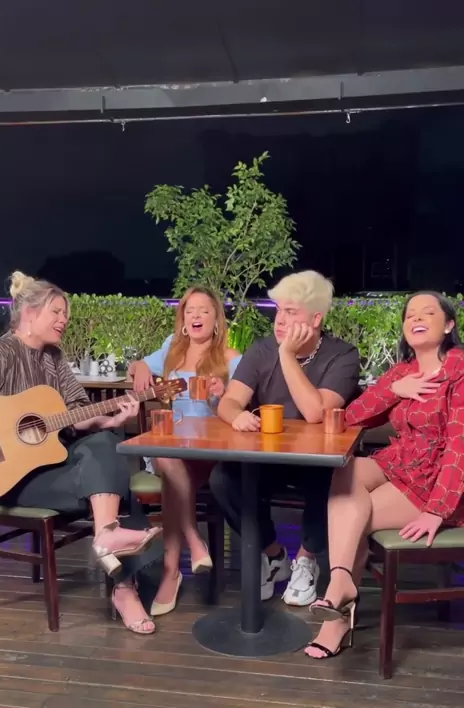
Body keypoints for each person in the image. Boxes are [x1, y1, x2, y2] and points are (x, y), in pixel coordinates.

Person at [0, 272, 162, 635]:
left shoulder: (55, 358)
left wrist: (111, 418)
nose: (64, 320)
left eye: (66, 313)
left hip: (52, 466)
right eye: (57, 312)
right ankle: (124, 588)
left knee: (106, 440)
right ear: (29, 313)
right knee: (120, 487)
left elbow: (79, 414)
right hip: (8, 480)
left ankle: (107, 536)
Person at [305, 290, 464, 659]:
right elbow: (352, 416)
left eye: (428, 312)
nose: (416, 318)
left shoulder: (459, 372)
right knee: (347, 471)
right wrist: (394, 389)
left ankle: (337, 615)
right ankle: (341, 582)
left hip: (441, 484)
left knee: (350, 514)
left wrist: (437, 510)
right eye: (410, 314)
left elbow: (460, 446)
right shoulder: (403, 371)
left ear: (449, 325)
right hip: (401, 465)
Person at [210, 270, 360, 604]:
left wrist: (287, 356)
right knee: (223, 478)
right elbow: (229, 401)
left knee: (332, 477)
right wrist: (236, 416)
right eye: (278, 311)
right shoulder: (261, 350)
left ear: (316, 319)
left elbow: (315, 412)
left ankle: (306, 560)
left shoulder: (343, 355)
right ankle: (274, 554)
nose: (279, 320)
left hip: (317, 461)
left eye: (291, 312)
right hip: (268, 456)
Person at [128, 286, 240, 616]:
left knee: (171, 475)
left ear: (216, 319)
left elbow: (243, 406)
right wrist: (141, 367)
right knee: (166, 455)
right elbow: (136, 366)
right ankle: (193, 540)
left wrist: (221, 395)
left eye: (204, 311)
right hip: (173, 446)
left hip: (210, 452)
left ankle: (171, 571)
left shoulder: (231, 358)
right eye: (190, 311)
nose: (196, 316)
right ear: (183, 319)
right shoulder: (171, 350)